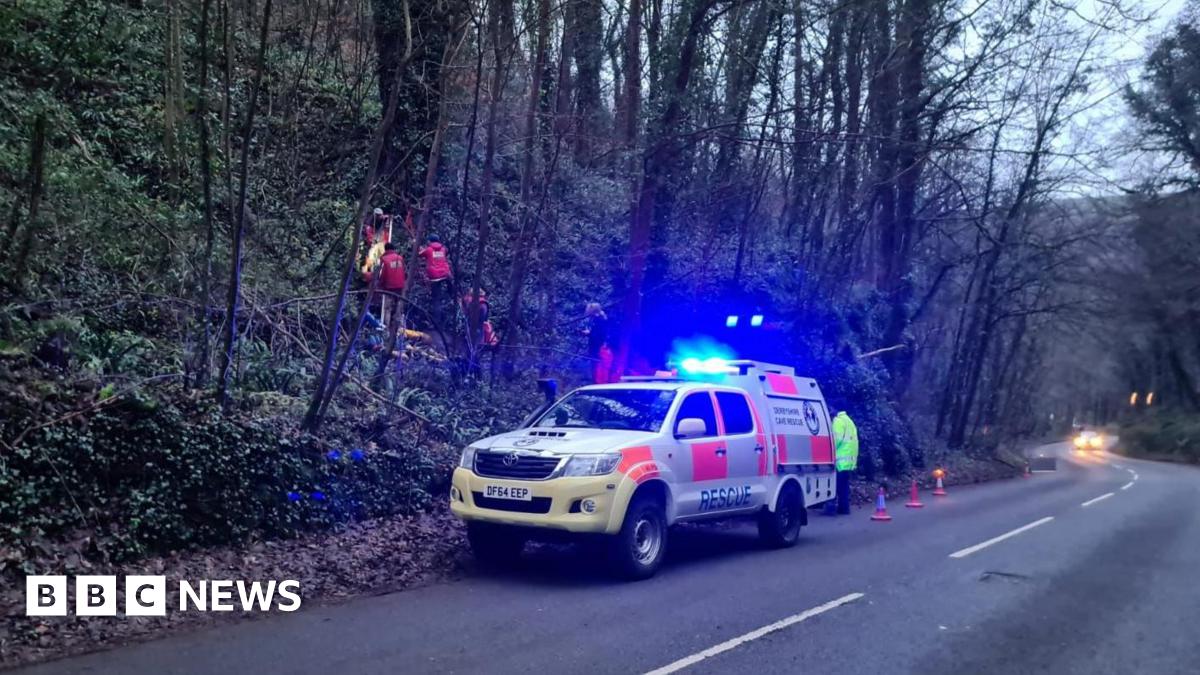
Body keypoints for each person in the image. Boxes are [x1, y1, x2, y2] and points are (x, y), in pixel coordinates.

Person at [830, 410, 859, 515]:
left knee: (835, 486)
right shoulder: (849, 421)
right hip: (849, 461)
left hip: (839, 460)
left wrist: (828, 451)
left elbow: (835, 440)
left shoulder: (838, 421)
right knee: (844, 487)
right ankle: (844, 508)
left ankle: (831, 509)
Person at [373, 243, 407, 328]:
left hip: (389, 287)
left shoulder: (383, 259)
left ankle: (386, 328)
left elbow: (382, 275)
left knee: (387, 308)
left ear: (385, 249)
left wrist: (380, 284)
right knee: (399, 306)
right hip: (400, 286)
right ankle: (401, 327)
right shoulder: (400, 258)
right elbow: (404, 272)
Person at [582, 303, 613, 383]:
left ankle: (597, 381)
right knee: (596, 363)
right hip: (597, 344)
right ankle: (596, 380)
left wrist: (589, 333)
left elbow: (599, 333)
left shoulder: (599, 319)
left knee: (596, 363)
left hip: (597, 345)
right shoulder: (598, 318)